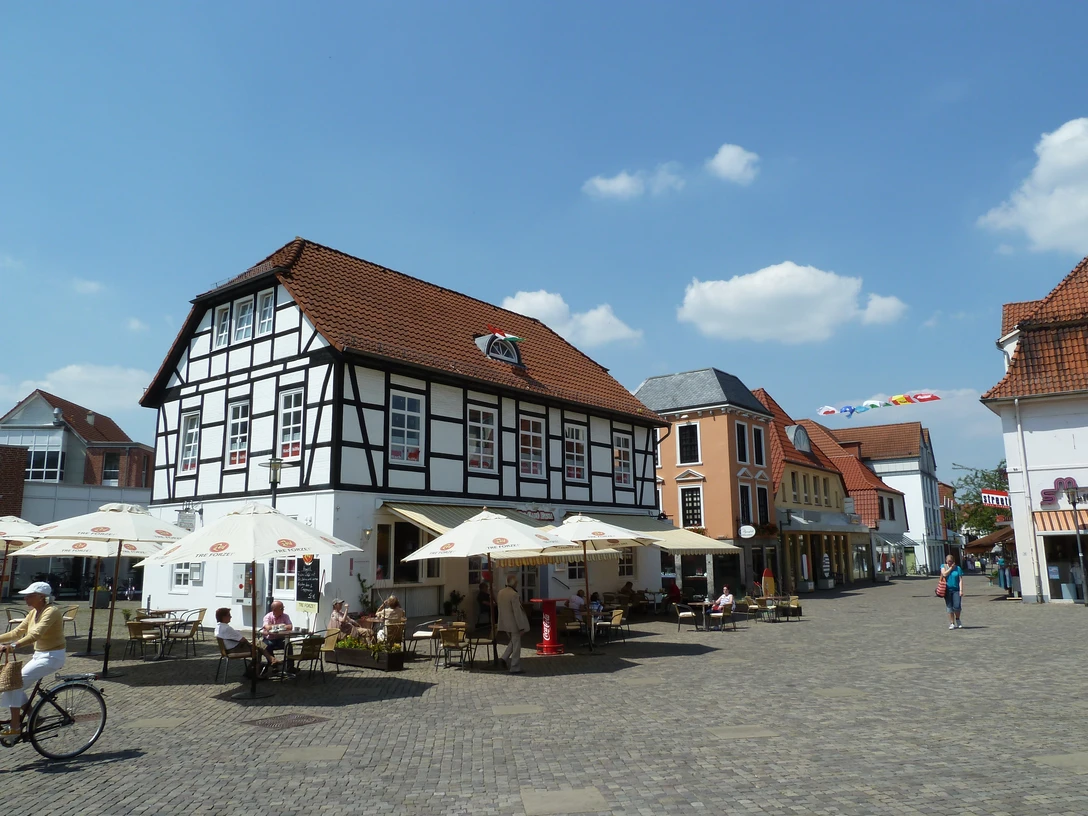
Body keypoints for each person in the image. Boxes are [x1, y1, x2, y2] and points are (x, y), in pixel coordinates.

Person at [0, 582, 66, 738]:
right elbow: (16, 632)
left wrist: (13, 646)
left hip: (52, 656)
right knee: (13, 685)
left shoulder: (51, 611)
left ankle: (15, 727)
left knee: (15, 684)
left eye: (29, 595)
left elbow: (36, 634)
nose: (25, 598)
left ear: (41, 597)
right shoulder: (33, 613)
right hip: (39, 655)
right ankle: (34, 716)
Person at [215, 608, 275, 675]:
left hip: (228, 649)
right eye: (229, 615)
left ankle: (272, 660)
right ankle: (257, 672)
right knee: (257, 649)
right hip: (234, 650)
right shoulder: (227, 628)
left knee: (258, 643)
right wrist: (249, 643)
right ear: (223, 617)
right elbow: (242, 639)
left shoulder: (218, 627)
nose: (231, 617)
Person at [496, 574, 529, 675]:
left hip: (505, 623)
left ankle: (503, 658)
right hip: (514, 624)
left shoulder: (500, 592)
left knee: (513, 642)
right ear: (514, 583)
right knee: (516, 646)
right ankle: (515, 667)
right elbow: (517, 612)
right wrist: (521, 626)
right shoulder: (514, 594)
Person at [261, 601, 295, 669]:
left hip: (280, 639)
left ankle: (290, 667)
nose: (283, 609)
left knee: (288, 645)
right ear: (274, 610)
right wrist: (281, 626)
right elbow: (267, 627)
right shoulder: (268, 617)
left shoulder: (285, 616)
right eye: (281, 608)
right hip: (269, 638)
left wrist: (273, 627)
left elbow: (290, 627)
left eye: (283, 608)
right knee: (265, 645)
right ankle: (274, 665)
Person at [941, 554, 965, 629]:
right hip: (947, 590)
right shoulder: (943, 566)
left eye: (951, 561)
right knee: (949, 607)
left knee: (957, 606)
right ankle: (952, 623)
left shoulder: (958, 568)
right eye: (948, 561)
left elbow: (960, 580)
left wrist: (961, 590)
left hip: (956, 590)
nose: (949, 563)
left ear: (953, 561)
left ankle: (958, 619)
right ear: (946, 561)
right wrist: (951, 568)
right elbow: (944, 574)